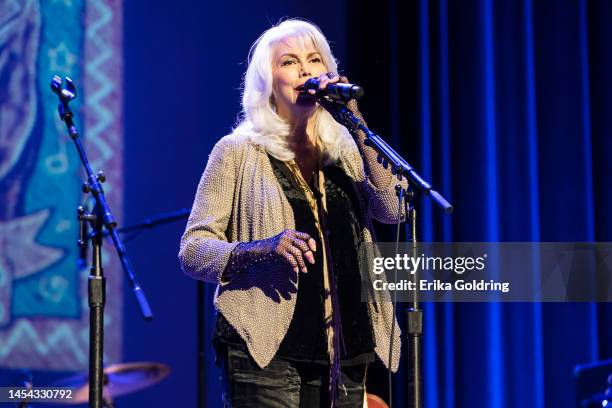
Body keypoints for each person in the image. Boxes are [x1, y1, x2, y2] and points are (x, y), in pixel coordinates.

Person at [179, 18, 405, 408]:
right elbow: (193, 250)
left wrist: (356, 120)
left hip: (346, 350)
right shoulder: (237, 151)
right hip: (265, 350)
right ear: (268, 82)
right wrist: (262, 249)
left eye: (314, 59)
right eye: (289, 61)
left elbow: (392, 210)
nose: (305, 69)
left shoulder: (347, 153)